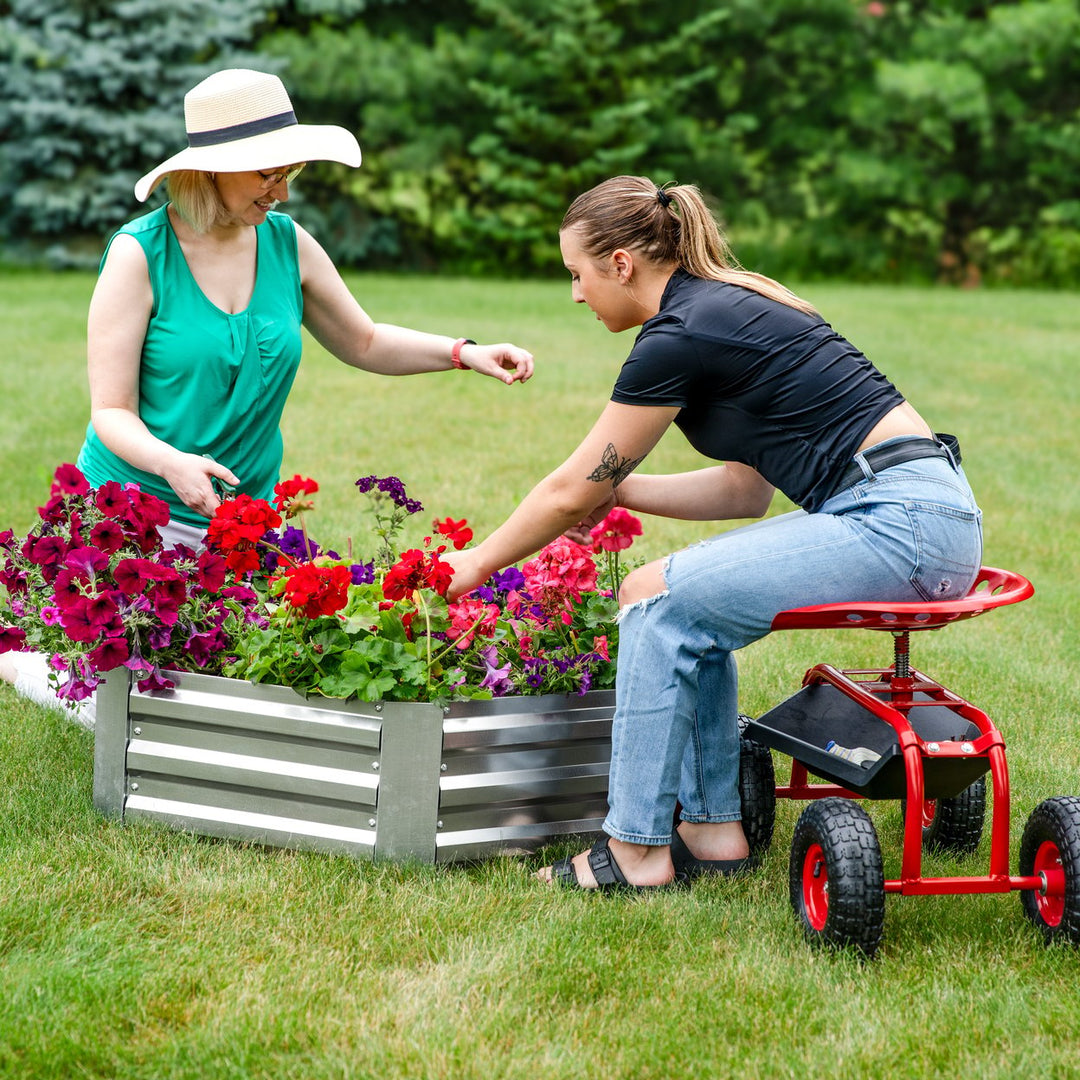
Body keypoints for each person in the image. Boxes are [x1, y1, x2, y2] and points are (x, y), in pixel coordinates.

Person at [443, 175, 983, 891]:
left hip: (899, 522)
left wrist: (476, 563)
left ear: (622, 265)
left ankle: (634, 850)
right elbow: (745, 490)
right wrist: (626, 489)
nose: (575, 294)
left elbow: (571, 490)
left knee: (653, 599)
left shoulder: (680, 335)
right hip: (923, 513)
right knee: (685, 605)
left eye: (577, 274)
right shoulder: (724, 306)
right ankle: (712, 833)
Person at [1, 67, 534, 714]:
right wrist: (172, 463)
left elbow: (363, 341)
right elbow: (110, 413)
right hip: (133, 522)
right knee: (130, 712)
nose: (281, 191)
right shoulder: (139, 255)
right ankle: (26, 662)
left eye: (291, 172)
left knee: (250, 687)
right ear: (213, 169)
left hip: (238, 526)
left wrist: (464, 353)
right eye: (266, 174)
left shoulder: (286, 244)